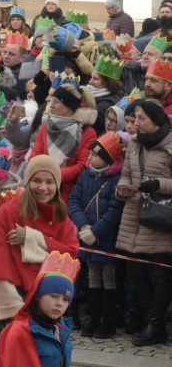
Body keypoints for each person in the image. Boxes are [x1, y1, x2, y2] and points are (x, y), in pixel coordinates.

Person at [0, 155, 79, 331]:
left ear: (57, 185)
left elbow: (70, 253)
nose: (43, 188)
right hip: (17, 294)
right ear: (28, 182)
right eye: (36, 181)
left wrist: (33, 238)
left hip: (47, 294)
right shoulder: (11, 210)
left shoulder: (61, 216)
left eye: (49, 182)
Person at [114, 99, 172, 346]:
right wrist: (122, 189)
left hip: (161, 216)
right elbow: (126, 174)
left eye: (141, 118)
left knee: (161, 272)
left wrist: (160, 184)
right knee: (135, 270)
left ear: (156, 120)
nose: (135, 123)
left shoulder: (169, 145)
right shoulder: (135, 143)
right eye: (134, 118)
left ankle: (157, 326)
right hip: (134, 213)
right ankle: (150, 320)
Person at [67, 131, 126, 340]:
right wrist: (83, 225)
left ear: (107, 158)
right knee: (92, 276)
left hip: (106, 238)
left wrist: (96, 231)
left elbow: (114, 211)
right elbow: (73, 201)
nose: (89, 158)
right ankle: (94, 319)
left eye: (95, 155)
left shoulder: (116, 179)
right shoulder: (86, 175)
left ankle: (108, 321)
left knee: (108, 277)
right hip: (86, 235)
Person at [0, 252, 79, 367]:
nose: (60, 303)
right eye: (53, 296)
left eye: (65, 299)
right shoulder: (20, 331)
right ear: (38, 296)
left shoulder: (61, 329)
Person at [27, 83, 97, 202]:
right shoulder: (46, 127)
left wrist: (51, 176)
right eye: (51, 101)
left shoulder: (87, 132)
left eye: (56, 101)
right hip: (40, 190)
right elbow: (34, 157)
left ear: (69, 105)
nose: (51, 105)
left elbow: (82, 166)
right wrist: (45, 178)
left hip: (68, 196)